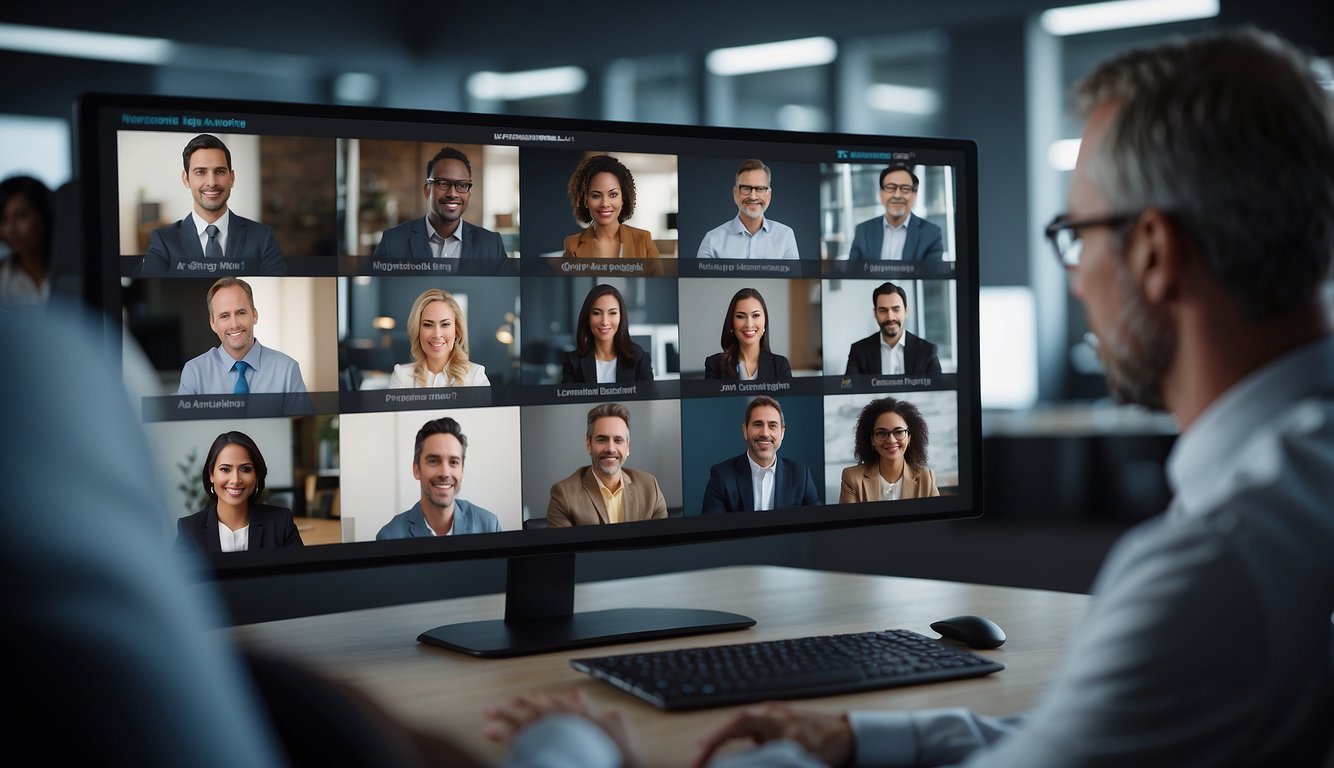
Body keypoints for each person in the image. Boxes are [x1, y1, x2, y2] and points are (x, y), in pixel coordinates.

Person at [136, 134, 286, 276]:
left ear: (231, 178)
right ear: (186, 179)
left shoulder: (263, 237)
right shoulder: (163, 240)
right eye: (200, 172)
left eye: (219, 171)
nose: (212, 182)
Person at [371, 146, 508, 261]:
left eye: (461, 185)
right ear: (427, 190)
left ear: (469, 193)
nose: (453, 194)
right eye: (442, 183)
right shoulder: (392, 241)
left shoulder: (491, 245)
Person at [175, 431, 304, 553]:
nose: (235, 480)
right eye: (225, 469)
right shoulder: (190, 529)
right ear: (211, 475)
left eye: (245, 469)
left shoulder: (281, 522)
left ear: (257, 476)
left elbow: (299, 575)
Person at [176, 277, 308, 396]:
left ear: (254, 315)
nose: (234, 324)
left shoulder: (287, 370)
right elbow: (184, 423)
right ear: (213, 323)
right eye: (224, 316)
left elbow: (301, 422)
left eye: (240, 313)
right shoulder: (194, 372)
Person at [378, 417, 502, 539]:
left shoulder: (489, 526)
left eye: (453, 462)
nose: (444, 473)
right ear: (416, 469)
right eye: (433, 461)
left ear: (462, 472)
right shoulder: (389, 536)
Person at [547, 402, 668, 527]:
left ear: (627, 447)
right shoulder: (563, 495)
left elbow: (661, 544)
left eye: (618, 440)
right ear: (588, 444)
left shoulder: (650, 488)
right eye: (601, 440)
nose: (610, 448)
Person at [701, 396, 820, 514]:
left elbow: (816, 526)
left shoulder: (801, 475)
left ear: (782, 433)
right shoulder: (722, 476)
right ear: (745, 430)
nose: (765, 433)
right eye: (758, 424)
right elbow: (712, 530)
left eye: (772, 425)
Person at [838, 396, 939, 503]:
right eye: (881, 433)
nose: (891, 440)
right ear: (872, 440)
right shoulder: (852, 478)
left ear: (909, 437)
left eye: (899, 432)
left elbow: (937, 519)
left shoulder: (926, 478)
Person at [562, 154, 660, 262]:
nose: (605, 203)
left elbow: (659, 278)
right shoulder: (572, 245)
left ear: (623, 199)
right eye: (596, 196)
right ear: (585, 200)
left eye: (613, 195)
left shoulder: (643, 240)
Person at [696, 159, 799, 260]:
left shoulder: (786, 236)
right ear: (735, 193)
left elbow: (794, 277)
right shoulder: (712, 240)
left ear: (769, 195)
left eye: (760, 189)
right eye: (746, 188)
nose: (753, 197)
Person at [389, 288, 490, 388]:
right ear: (417, 330)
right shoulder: (401, 376)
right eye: (428, 325)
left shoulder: (476, 377)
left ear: (457, 330)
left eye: (445, 324)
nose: (437, 335)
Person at [844, 281, 943, 376]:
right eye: (883, 310)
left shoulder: (927, 352)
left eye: (896, 309)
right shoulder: (858, 351)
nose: (890, 317)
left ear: (906, 311)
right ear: (875, 313)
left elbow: (938, 392)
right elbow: (849, 391)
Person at [560, 283, 653, 384]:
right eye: (596, 313)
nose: (604, 322)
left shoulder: (639, 358)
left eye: (612, 313)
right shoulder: (573, 362)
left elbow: (650, 398)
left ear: (621, 317)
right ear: (587, 317)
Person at [848, 164, 943, 262]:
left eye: (905, 189)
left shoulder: (931, 233)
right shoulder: (863, 231)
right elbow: (852, 274)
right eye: (891, 188)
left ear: (914, 195)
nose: (897, 195)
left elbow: (933, 276)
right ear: (881, 194)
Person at [704, 287, 792, 380]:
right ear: (731, 322)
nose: (749, 324)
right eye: (740, 316)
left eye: (756, 315)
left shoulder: (780, 365)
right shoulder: (715, 365)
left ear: (765, 321)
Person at [0, 175, 53, 308]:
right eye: (3, 220)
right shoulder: (2, 277)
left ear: (44, 214)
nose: (11, 230)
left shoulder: (74, 268)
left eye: (21, 215)